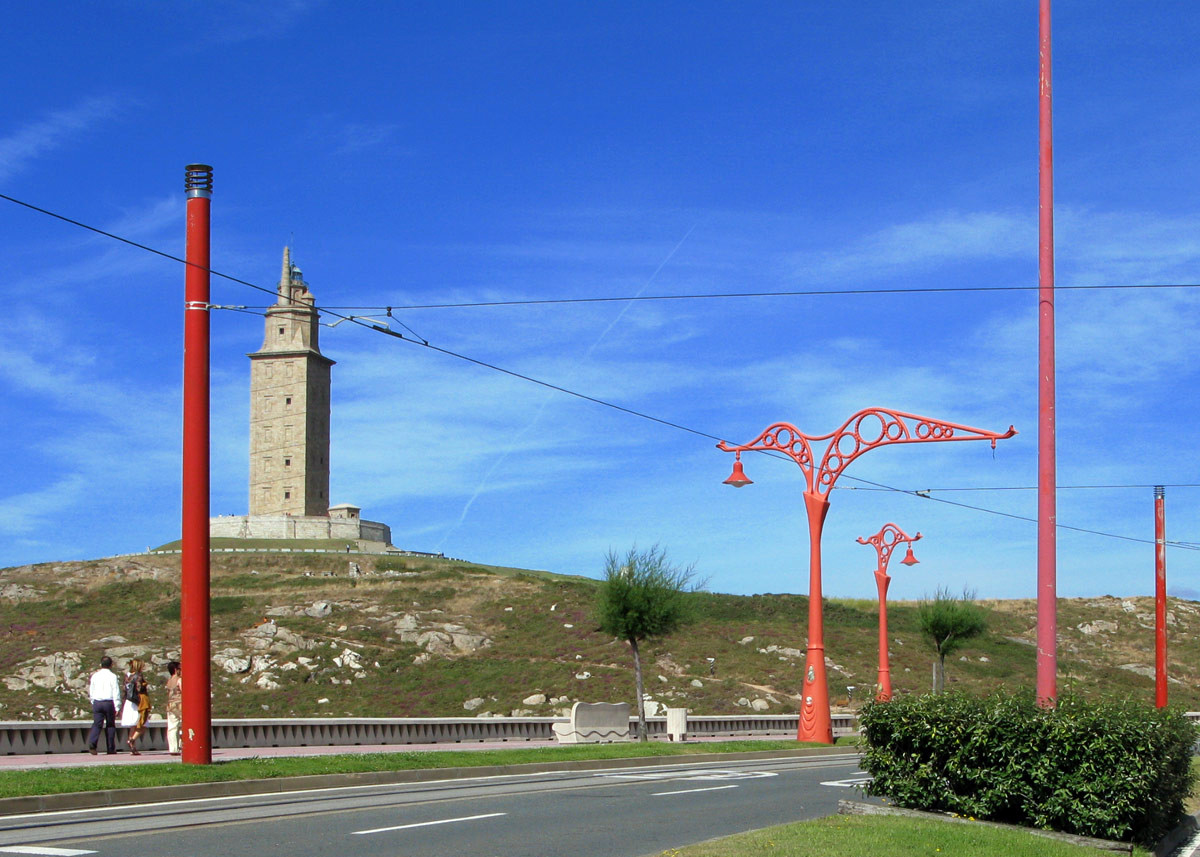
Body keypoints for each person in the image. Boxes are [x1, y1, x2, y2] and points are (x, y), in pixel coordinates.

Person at [86, 656, 121, 755]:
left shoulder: (95, 676)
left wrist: (93, 701)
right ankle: (110, 748)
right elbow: (115, 691)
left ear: (101, 664)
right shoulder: (112, 676)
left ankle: (93, 744)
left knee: (97, 724)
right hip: (109, 702)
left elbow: (91, 690)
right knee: (110, 725)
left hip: (97, 702)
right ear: (111, 665)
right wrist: (117, 706)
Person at [124, 658, 151, 755]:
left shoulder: (127, 676)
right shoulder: (138, 676)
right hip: (138, 702)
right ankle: (132, 739)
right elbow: (139, 689)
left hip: (129, 702)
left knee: (133, 725)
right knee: (142, 724)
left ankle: (132, 747)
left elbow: (125, 689)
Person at [165, 660, 182, 756]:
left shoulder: (169, 681)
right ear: (176, 669)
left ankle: (173, 748)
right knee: (183, 725)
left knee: (172, 727)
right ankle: (181, 745)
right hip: (180, 705)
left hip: (170, 705)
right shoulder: (179, 680)